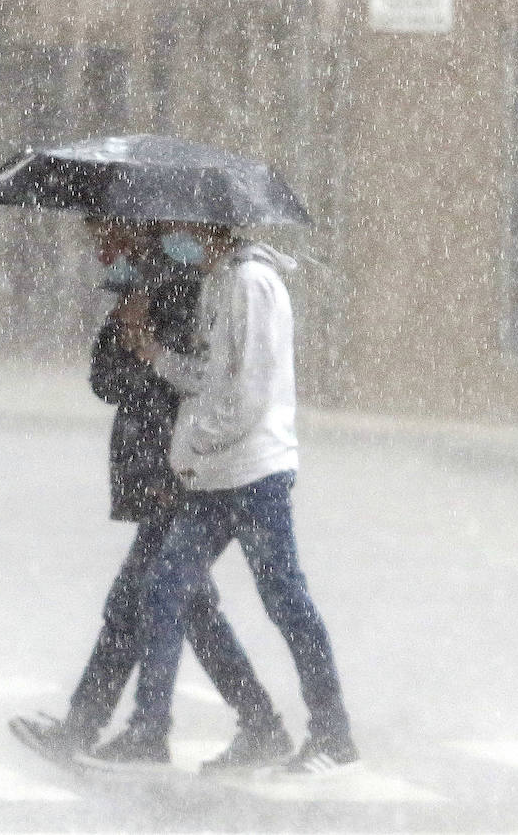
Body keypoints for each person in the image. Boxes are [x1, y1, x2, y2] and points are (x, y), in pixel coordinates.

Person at [9, 216, 293, 772]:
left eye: (103, 230)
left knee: (136, 603)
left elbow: (201, 381)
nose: (97, 244)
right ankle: (259, 722)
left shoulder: (184, 285)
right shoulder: (135, 284)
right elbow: (105, 379)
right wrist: (127, 332)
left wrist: (149, 349)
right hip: (154, 467)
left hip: (177, 470)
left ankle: (91, 728)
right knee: (186, 605)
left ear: (134, 227)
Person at [91, 219, 359, 776]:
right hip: (214, 477)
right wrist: (152, 351)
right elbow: (209, 379)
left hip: (255, 474)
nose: (174, 236)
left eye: (184, 226)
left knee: (286, 601)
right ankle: (149, 732)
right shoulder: (220, 281)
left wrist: (192, 445)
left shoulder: (252, 284)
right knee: (166, 590)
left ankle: (333, 736)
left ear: (210, 226)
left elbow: (249, 394)